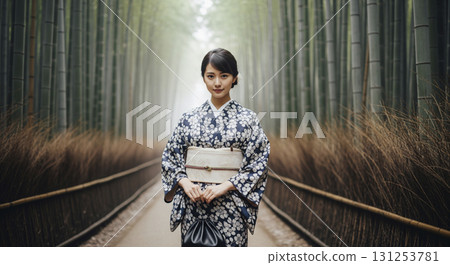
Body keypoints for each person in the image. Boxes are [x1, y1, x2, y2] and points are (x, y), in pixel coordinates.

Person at [161, 48, 270, 247]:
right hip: (194, 205)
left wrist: (225, 186)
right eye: (211, 76)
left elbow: (259, 162)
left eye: (224, 76)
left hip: (230, 206)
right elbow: (170, 156)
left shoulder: (248, 119)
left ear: (235, 78)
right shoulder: (188, 118)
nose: (217, 83)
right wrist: (184, 183)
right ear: (203, 78)